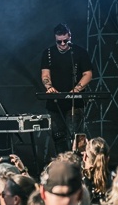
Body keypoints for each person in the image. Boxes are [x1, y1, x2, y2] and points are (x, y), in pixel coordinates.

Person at [40, 23, 94, 155]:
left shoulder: (80, 52)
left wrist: (77, 89)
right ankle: (63, 163)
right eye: (59, 41)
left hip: (75, 102)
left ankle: (80, 163)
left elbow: (88, 74)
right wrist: (49, 87)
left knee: (77, 136)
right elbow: (45, 74)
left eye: (66, 41)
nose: (63, 44)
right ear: (55, 39)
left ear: (70, 36)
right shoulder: (48, 53)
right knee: (58, 136)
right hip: (55, 102)